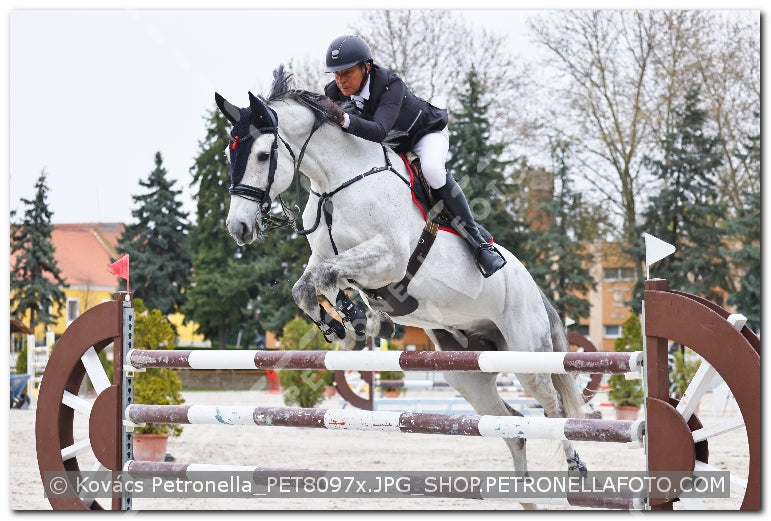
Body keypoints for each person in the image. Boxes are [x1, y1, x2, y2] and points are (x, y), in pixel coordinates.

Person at [318, 34, 506, 278]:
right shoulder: (333, 92)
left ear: (366, 67)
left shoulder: (389, 83)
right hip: (392, 146)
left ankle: (479, 245)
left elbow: (378, 130)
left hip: (424, 135)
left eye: (346, 72)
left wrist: (343, 118)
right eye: (336, 74)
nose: (340, 80)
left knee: (433, 171)